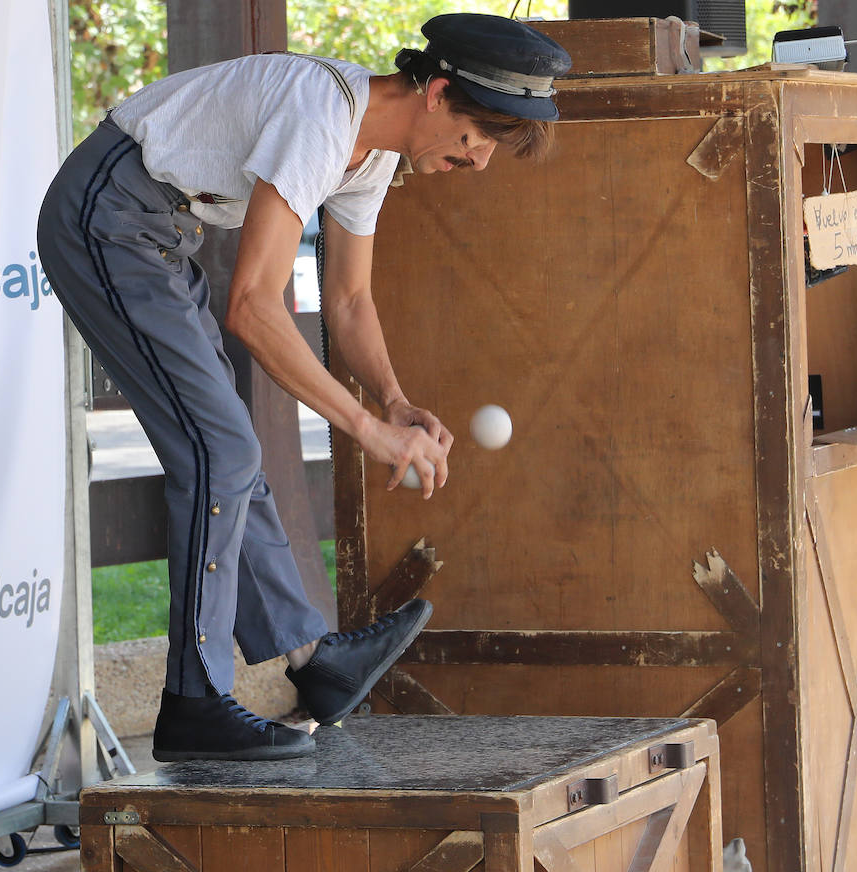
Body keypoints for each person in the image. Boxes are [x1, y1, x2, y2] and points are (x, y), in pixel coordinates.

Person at [37, 13, 571, 761]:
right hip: (104, 217)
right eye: (477, 137)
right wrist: (367, 429)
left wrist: (393, 399)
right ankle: (195, 702)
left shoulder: (374, 154)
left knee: (229, 446)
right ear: (439, 92)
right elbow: (254, 305)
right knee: (219, 449)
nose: (479, 161)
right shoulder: (321, 117)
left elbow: (349, 301)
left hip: (159, 236)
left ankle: (311, 660)